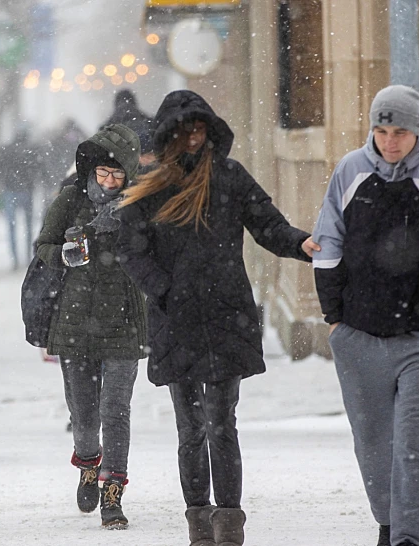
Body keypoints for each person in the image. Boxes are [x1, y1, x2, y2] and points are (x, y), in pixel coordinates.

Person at [116, 90, 319, 546]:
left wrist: (301, 244)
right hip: (177, 320)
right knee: (191, 429)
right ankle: (198, 525)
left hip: (227, 314)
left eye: (199, 128)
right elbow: (132, 251)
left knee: (222, 421)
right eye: (184, 130)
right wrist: (165, 291)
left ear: (210, 131)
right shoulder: (151, 189)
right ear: (168, 134)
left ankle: (228, 526)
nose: (192, 137)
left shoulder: (228, 178)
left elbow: (268, 225)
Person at [311, 85, 419, 546]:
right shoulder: (350, 170)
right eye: (381, 130)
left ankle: (409, 536)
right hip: (358, 334)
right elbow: (327, 244)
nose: (390, 141)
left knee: (411, 443)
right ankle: (388, 525)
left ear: (417, 130)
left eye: (400, 131)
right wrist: (335, 319)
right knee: (371, 444)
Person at [35, 124, 146, 529]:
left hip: (124, 321)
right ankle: (87, 463)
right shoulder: (70, 199)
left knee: (115, 411)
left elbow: (157, 255)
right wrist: (66, 252)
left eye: (117, 175)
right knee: (84, 413)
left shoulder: (139, 205)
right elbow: (43, 247)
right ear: (91, 170)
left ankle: (112, 492)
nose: (110, 182)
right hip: (75, 321)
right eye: (103, 173)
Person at [0, 129, 37, 270]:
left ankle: (15, 259)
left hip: (10, 191)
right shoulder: (30, 150)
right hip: (27, 191)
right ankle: (29, 256)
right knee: (29, 226)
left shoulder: (7, 150)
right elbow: (39, 168)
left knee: (12, 226)